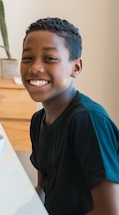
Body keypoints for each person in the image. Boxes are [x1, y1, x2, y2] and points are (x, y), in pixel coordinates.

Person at [21, 17, 119, 214]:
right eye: (27, 58)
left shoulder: (88, 120)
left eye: (49, 58)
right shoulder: (38, 121)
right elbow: (43, 188)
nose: (35, 67)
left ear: (76, 67)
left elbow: (109, 211)